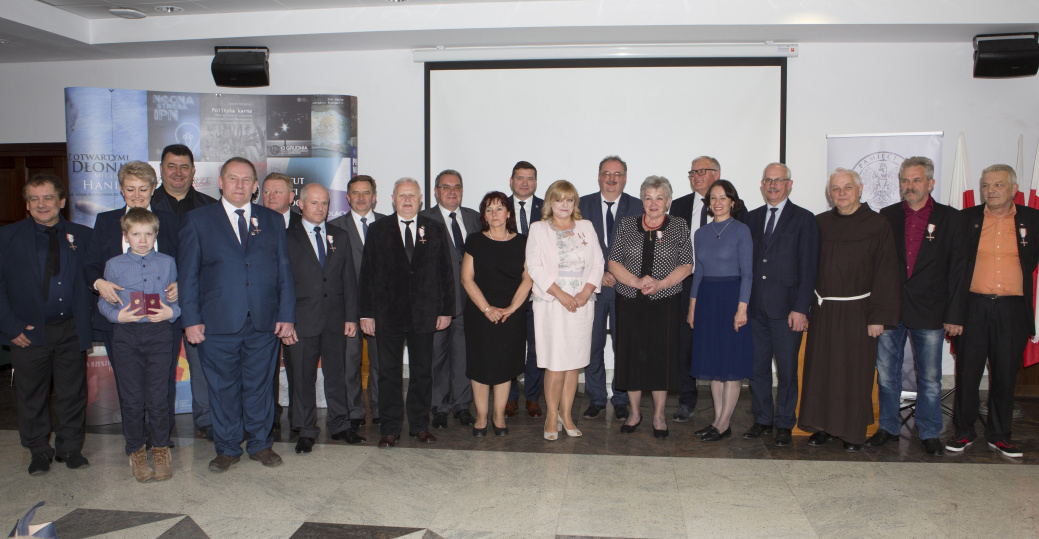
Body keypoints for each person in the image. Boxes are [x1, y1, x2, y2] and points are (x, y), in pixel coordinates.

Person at [179, 157, 296, 473]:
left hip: (263, 322)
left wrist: (287, 315)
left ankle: (260, 445)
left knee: (260, 388)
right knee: (222, 389)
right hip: (216, 324)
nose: (240, 185)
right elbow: (188, 275)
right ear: (220, 182)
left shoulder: (272, 220)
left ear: (255, 186)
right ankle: (228, 448)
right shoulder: (198, 220)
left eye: (246, 180)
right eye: (233, 178)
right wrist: (190, 320)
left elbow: (284, 271)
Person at [869, 157, 966, 456]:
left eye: (916, 180)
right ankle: (888, 427)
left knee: (931, 378)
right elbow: (877, 266)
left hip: (931, 310)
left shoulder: (951, 218)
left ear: (930, 183)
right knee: (887, 374)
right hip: (892, 309)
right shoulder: (887, 216)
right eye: (905, 181)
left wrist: (954, 314)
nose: (909, 186)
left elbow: (958, 270)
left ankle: (929, 431)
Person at [798, 168, 899, 452]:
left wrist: (878, 317)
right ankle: (822, 427)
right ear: (829, 193)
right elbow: (806, 268)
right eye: (835, 188)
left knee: (854, 373)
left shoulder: (878, 224)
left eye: (847, 187)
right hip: (825, 310)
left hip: (859, 311)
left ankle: (853, 432)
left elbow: (886, 272)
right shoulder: (819, 223)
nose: (841, 193)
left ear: (860, 189)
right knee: (822, 370)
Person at [0, 174, 94, 475]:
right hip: (27, 332)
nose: (42, 204)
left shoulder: (83, 235)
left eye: (48, 198)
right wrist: (11, 328)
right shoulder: (7, 237)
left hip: (71, 329)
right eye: (34, 199)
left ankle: (70, 449)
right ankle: (38, 450)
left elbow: (94, 277)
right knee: (31, 395)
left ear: (61, 201)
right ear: (27, 204)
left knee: (72, 393)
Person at [83, 161, 180, 445]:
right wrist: (99, 283)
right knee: (130, 387)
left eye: (143, 189)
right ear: (121, 190)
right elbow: (90, 264)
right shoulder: (105, 221)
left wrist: (181, 284)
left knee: (162, 385)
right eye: (130, 189)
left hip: (163, 320)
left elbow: (188, 260)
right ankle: (135, 443)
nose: (137, 195)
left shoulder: (171, 221)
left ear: (154, 189)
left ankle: (161, 440)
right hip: (120, 322)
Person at [947, 164, 1039, 458]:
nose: (991, 190)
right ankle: (963, 431)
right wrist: (954, 314)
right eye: (986, 185)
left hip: (1012, 309)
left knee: (1004, 375)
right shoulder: (967, 219)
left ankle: (999, 435)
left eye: (998, 185)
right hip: (973, 307)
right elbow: (954, 269)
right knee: (968, 373)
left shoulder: (1032, 219)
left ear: (1014, 189)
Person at [358, 178, 455, 448]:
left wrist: (446, 310)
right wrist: (366, 314)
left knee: (422, 372)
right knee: (388, 374)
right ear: (392, 199)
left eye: (412, 195)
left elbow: (446, 272)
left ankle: (419, 426)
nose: (408, 200)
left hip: (425, 314)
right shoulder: (378, 229)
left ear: (421, 199)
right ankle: (390, 428)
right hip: (387, 314)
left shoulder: (434, 228)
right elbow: (367, 274)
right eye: (402, 195)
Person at [281, 183, 365, 453]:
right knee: (303, 378)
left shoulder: (340, 235)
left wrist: (351, 317)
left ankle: (341, 424)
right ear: (301, 204)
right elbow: (281, 282)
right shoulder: (286, 237)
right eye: (314, 202)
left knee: (337, 374)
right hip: (301, 320)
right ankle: (306, 430)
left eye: (325, 203)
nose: (320, 208)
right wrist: (286, 320)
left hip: (335, 319)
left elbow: (348, 279)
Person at [98, 208, 180, 482]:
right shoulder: (114, 265)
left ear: (156, 235)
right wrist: (116, 316)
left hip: (159, 335)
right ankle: (136, 450)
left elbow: (177, 297)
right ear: (125, 236)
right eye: (136, 234)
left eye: (148, 234)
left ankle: (160, 449)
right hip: (126, 336)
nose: (142, 240)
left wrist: (172, 312)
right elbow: (103, 302)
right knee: (132, 399)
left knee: (158, 397)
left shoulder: (168, 263)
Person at [607, 176, 692, 438]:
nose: (653, 203)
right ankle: (634, 413)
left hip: (664, 303)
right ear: (642, 201)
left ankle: (658, 416)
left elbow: (686, 264)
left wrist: (661, 284)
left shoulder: (678, 225)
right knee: (630, 358)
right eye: (648, 198)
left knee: (660, 359)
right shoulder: (626, 224)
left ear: (668, 201)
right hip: (629, 301)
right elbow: (613, 262)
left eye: (659, 198)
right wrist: (636, 282)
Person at [743, 163, 819, 447]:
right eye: (768, 180)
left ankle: (785, 423)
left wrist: (801, 308)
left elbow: (808, 268)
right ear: (762, 185)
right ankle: (763, 419)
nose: (773, 185)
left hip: (788, 310)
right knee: (757, 369)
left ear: (789, 184)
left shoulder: (804, 219)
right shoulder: (751, 218)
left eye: (778, 180)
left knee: (786, 371)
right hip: (755, 309)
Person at [669, 156, 745, 422]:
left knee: (722, 349)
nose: (697, 176)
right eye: (693, 172)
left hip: (725, 288)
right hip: (687, 282)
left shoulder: (739, 213)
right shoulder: (678, 205)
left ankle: (722, 418)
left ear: (717, 174)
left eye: (703, 171)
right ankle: (686, 401)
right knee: (685, 345)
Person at [526, 180, 604, 440]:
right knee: (556, 365)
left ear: (575, 203)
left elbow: (598, 263)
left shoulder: (586, 226)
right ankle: (551, 417)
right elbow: (534, 267)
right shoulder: (538, 229)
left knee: (574, 365)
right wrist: (560, 295)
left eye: (569, 200)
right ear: (550, 202)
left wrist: (585, 293)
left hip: (581, 305)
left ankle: (566, 415)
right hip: (552, 305)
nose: (564, 205)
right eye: (559, 199)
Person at [149, 144, 217, 441]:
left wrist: (188, 283)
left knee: (202, 364)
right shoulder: (145, 205)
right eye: (171, 166)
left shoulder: (209, 207)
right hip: (156, 300)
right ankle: (158, 427)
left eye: (184, 166)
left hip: (198, 300)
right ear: (161, 170)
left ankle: (207, 419)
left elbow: (216, 256)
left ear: (193, 171)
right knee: (157, 369)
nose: (178, 172)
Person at [460, 191, 533, 436]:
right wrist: (487, 309)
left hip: (511, 315)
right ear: (484, 215)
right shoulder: (475, 240)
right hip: (480, 314)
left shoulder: (522, 242)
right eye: (489, 209)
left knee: (504, 367)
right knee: (480, 367)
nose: (494, 214)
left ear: (508, 213)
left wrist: (511, 308)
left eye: (499, 208)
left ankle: (498, 416)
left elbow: (528, 278)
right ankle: (481, 416)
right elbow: (467, 278)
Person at [578, 155, 643, 421]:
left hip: (626, 288)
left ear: (625, 178)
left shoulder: (638, 206)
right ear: (599, 176)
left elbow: (644, 247)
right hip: (592, 288)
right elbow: (575, 247)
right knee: (592, 344)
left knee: (623, 346)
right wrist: (598, 274)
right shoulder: (582, 205)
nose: (611, 179)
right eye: (606, 173)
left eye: (617, 174)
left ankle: (621, 398)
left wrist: (619, 273)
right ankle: (596, 398)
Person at [688, 180, 753, 442]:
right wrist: (692, 308)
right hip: (707, 300)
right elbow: (698, 273)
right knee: (713, 364)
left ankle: (725, 423)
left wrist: (742, 309)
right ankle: (717, 420)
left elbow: (747, 274)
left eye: (723, 198)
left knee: (731, 365)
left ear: (732, 202)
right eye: (713, 198)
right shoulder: (700, 233)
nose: (717, 202)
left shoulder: (741, 230)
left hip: (732, 299)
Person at [421, 169, 480, 429]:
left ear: (462, 191)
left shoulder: (475, 218)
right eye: (446, 187)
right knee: (437, 357)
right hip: (437, 303)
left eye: (456, 187)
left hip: (470, 302)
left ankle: (462, 406)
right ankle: (440, 407)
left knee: (463, 355)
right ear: (436, 192)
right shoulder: (424, 220)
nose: (452, 192)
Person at [329, 175, 385, 429]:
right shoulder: (334, 228)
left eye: (366, 193)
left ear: (374, 197)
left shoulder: (388, 224)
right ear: (348, 197)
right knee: (349, 364)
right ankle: (354, 412)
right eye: (355, 193)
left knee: (381, 363)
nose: (361, 198)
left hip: (381, 308)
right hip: (347, 309)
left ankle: (381, 410)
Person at [506, 161, 545, 419]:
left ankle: (532, 397)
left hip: (540, 291)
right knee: (510, 345)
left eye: (530, 179)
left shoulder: (547, 209)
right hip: (508, 291)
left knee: (537, 347)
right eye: (520, 178)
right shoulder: (499, 207)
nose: (524, 183)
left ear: (536, 183)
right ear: (511, 181)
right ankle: (509, 397)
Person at [261, 171, 300, 431]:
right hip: (262, 309)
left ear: (292, 196)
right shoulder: (253, 222)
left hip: (297, 308)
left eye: (277, 191)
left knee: (298, 367)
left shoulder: (304, 223)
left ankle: (299, 419)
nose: (271, 196)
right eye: (266, 192)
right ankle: (269, 418)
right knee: (264, 370)